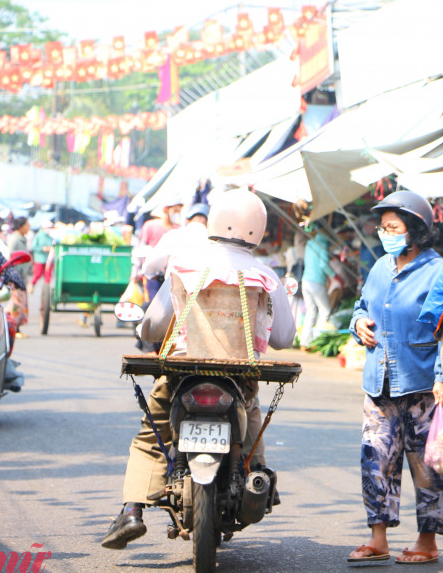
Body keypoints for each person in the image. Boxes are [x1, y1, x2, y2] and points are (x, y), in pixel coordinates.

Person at [101, 189, 296, 549]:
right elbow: (284, 337)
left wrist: (144, 330)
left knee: (152, 435)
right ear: (259, 230)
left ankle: (132, 510)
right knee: (251, 420)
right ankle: (256, 479)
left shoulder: (185, 264)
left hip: (182, 373)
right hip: (239, 378)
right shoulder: (266, 275)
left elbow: (153, 326)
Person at [347, 191, 443, 565]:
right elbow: (362, 306)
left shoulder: (438, 271)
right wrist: (358, 323)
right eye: (383, 228)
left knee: (429, 467)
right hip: (379, 385)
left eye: (393, 227)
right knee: (375, 459)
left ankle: (427, 542)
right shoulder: (380, 267)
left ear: (415, 230)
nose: (385, 234)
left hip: (424, 385)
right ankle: (377, 539)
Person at [140, 202, 209, 280]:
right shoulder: (214, 241)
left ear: (187, 221)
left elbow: (152, 262)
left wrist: (150, 273)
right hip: (205, 285)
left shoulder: (174, 235)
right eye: (175, 210)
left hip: (175, 285)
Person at [300, 231, 334, 349]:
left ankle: (305, 342)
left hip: (306, 280)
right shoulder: (322, 244)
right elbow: (323, 264)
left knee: (311, 311)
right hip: (317, 281)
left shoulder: (310, 243)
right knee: (325, 310)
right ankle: (317, 340)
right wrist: (334, 275)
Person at [6, 217, 32, 336]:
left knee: (20, 303)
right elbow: (10, 258)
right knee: (16, 304)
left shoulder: (21, 239)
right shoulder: (15, 239)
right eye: (27, 225)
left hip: (22, 277)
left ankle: (16, 328)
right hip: (16, 277)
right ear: (21, 226)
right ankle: (14, 329)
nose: (29, 227)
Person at [29, 219, 55, 292]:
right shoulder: (38, 236)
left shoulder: (51, 237)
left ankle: (46, 290)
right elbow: (33, 247)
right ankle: (31, 284)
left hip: (48, 260)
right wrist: (42, 248)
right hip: (39, 259)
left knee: (48, 276)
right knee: (38, 274)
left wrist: (50, 249)